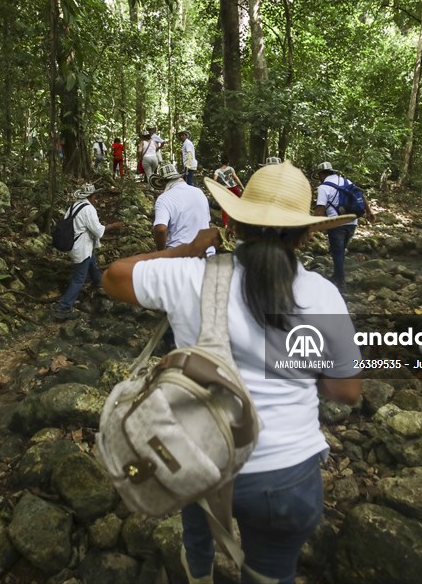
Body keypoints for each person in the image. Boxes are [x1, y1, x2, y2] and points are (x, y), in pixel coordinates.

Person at [101, 160, 362, 584]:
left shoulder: (191, 276)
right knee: (268, 573)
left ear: (234, 223)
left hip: (202, 454)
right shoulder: (323, 295)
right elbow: (346, 391)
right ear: (307, 234)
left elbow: (113, 277)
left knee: (198, 521)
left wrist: (187, 249)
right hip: (286, 476)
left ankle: (199, 573)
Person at [54, 184, 123, 321]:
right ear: (90, 197)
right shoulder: (88, 209)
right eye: (95, 196)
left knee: (92, 263)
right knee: (79, 279)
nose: (96, 199)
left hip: (75, 246)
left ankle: (100, 285)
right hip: (81, 248)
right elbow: (98, 231)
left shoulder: (74, 206)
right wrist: (113, 226)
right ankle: (63, 308)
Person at [313, 161, 375, 291]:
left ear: (321, 174)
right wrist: (369, 212)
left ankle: (340, 282)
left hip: (336, 223)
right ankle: (336, 275)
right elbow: (361, 195)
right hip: (352, 221)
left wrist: (313, 227)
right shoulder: (346, 181)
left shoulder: (323, 187)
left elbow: (320, 210)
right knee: (341, 250)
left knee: (337, 251)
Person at [152, 162, 212, 251]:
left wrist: (161, 253)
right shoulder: (199, 192)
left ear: (163, 182)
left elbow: (161, 229)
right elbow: (207, 221)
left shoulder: (164, 198)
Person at [212, 155, 244, 227]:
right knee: (241, 202)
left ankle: (225, 224)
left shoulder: (217, 171)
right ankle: (242, 219)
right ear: (228, 163)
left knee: (225, 207)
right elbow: (236, 178)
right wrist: (242, 186)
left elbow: (214, 180)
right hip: (234, 187)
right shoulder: (230, 169)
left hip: (224, 189)